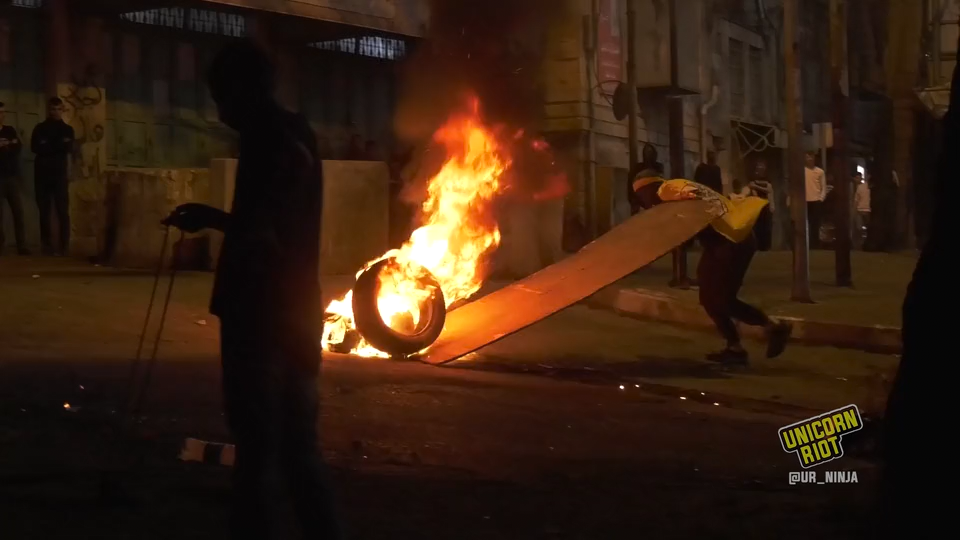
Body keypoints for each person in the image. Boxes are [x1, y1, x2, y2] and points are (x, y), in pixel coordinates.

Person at [161, 40, 341, 540]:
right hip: (297, 312)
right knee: (298, 448)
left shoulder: (268, 139)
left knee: (257, 449)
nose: (220, 110)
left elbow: (263, 231)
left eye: (222, 96)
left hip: (261, 315)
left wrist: (214, 220)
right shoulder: (296, 133)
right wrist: (219, 219)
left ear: (243, 89)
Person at [631, 168, 793, 365]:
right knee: (711, 298)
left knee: (719, 299)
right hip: (725, 241)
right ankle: (737, 347)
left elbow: (693, 201)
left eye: (641, 195)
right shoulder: (675, 189)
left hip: (730, 240)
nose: (644, 201)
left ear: (648, 188)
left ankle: (772, 327)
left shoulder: (667, 189)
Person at [31, 97, 75, 256]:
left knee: (62, 211)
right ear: (48, 110)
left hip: (59, 176)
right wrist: (57, 145)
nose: (55, 112)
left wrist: (47, 145)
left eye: (58, 109)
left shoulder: (67, 130)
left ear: (62, 110)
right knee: (44, 211)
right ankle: (47, 245)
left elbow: (68, 148)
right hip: (42, 175)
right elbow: (35, 147)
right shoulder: (40, 128)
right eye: (53, 109)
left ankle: (64, 246)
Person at [0, 101, 28, 255]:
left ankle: (22, 245)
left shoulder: (9, 130)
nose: (2, 115)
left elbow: (17, 147)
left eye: (3, 112)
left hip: (11, 177)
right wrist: (6, 146)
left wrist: (7, 145)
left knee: (18, 212)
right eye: (0, 112)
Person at [748, 159, 774, 251]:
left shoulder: (767, 178)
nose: (760, 168)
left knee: (767, 226)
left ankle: (767, 246)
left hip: (766, 204)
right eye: (759, 166)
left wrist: (772, 204)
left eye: (762, 166)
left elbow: (769, 190)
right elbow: (752, 189)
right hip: (757, 205)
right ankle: (758, 246)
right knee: (758, 226)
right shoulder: (753, 178)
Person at [804, 151, 826, 249]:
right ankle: (805, 245)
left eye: (811, 156)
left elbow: (823, 186)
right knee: (805, 224)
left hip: (816, 200)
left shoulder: (820, 171)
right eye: (807, 157)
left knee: (815, 224)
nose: (809, 159)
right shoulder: (802, 171)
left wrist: (821, 198)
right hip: (804, 201)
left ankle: (814, 245)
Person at [853, 171, 870, 249]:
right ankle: (865, 244)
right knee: (867, 228)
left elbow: (856, 200)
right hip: (868, 209)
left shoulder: (860, 187)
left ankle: (859, 245)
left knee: (859, 229)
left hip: (860, 209)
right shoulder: (870, 188)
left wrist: (854, 210)